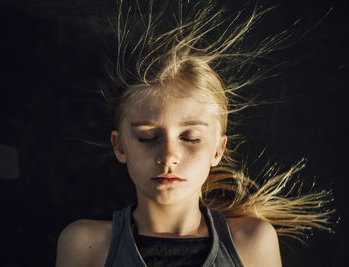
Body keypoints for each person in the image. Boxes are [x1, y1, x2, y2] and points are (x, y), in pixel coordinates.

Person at [56, 1, 332, 266]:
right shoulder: (85, 244)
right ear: (120, 147)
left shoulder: (251, 241)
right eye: (148, 138)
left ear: (217, 150)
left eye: (190, 138)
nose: (168, 156)